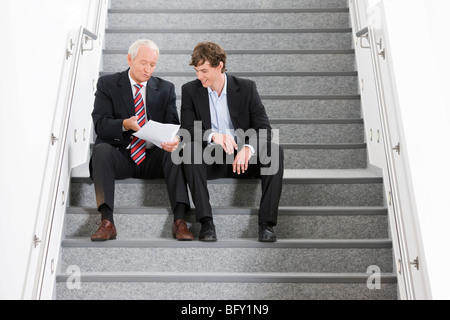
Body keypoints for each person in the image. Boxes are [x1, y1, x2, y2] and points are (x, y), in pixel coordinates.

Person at [89, 39, 193, 241]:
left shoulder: (165, 89)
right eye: (143, 63)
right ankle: (107, 221)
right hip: (121, 155)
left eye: (152, 65)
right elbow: (100, 124)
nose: (148, 69)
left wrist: (174, 140)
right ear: (130, 59)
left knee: (175, 153)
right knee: (101, 150)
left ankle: (180, 221)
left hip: (152, 156)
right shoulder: (108, 84)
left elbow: (174, 125)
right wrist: (124, 124)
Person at [180, 42, 284, 242]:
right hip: (211, 160)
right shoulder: (190, 90)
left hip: (242, 161)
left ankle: (266, 225)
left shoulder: (246, 88)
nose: (199, 76)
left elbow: (264, 128)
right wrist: (213, 136)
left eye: (204, 70)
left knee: (274, 151)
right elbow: (187, 129)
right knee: (190, 150)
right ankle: (206, 222)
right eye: (196, 71)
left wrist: (248, 147)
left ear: (219, 66)